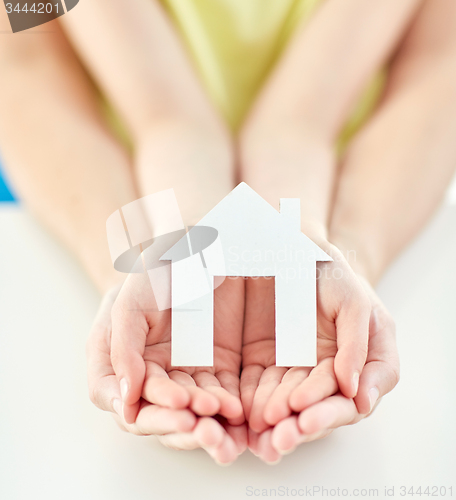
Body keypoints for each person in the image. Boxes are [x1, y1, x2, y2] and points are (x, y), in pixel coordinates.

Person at [0, 0, 455, 465]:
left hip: (363, 177)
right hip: (109, 173)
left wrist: (336, 252)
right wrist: (141, 262)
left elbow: (437, 60)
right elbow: (25, 50)